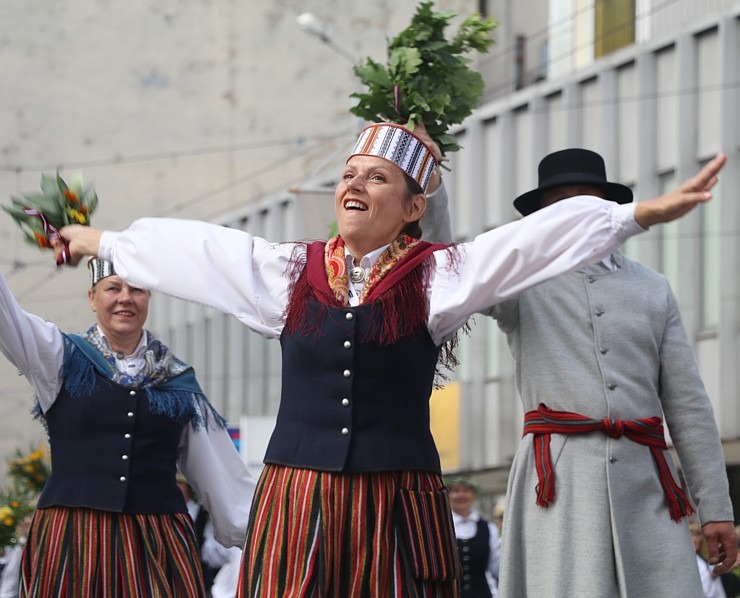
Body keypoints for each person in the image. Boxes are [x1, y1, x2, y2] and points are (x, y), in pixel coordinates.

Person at [53, 122, 725, 597]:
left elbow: (522, 246)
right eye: (349, 175)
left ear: (412, 208)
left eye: (377, 177)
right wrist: (101, 240)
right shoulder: (291, 270)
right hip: (301, 494)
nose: (355, 184)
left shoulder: (442, 276)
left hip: (397, 497)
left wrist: (639, 215)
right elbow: (200, 253)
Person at [485, 148, 736, 597]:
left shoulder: (653, 288)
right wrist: (431, 183)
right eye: (560, 204)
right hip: (558, 485)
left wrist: (716, 507)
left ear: (610, 211)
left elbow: (688, 404)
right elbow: (446, 264)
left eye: (586, 200)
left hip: (647, 481)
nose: (574, 212)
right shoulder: (517, 279)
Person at [0, 257, 255, 596]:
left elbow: (221, 474)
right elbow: (9, 320)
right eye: (113, 287)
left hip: (157, 540)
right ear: (92, 298)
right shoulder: (60, 358)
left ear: (148, 297)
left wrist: (261, 535)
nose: (125, 298)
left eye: (136, 289)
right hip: (75, 538)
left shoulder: (177, 381)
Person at [446, 476, 500, 597]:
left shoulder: (488, 528)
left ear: (473, 495)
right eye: (456, 491)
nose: (461, 495)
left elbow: (495, 567)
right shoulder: (441, 527)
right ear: (448, 495)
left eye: (466, 490)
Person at [692, 523, 729, 598]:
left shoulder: (703, 559)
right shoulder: (691, 561)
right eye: (692, 535)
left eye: (698, 535)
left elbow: (712, 574)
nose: (696, 539)